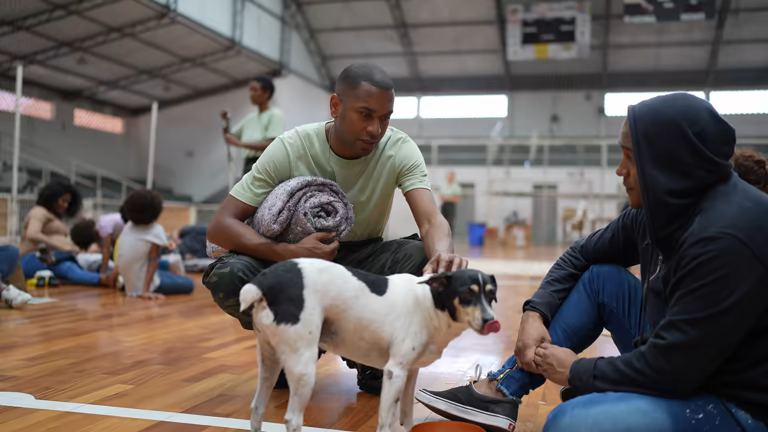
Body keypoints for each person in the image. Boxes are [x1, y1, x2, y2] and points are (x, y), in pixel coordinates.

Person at [415, 93, 768, 432]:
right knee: (601, 279)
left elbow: (675, 368)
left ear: (666, 161)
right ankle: (501, 393)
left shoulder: (727, 237)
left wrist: (582, 372)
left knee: (569, 423)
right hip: (690, 361)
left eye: (630, 157)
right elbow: (581, 255)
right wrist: (534, 312)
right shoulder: (658, 210)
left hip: (737, 402)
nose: (619, 170)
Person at [203, 63, 468, 395]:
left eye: (385, 118)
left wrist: (443, 257)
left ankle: (369, 357)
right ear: (335, 106)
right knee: (229, 275)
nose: (376, 129)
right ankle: (296, 341)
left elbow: (431, 220)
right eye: (365, 115)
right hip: (295, 264)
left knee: (420, 257)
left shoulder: (399, 148)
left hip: (362, 260)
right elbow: (220, 225)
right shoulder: (291, 146)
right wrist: (288, 252)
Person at [19, 180, 118, 288]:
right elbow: (32, 233)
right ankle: (103, 279)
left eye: (68, 202)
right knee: (67, 268)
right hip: (31, 258)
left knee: (87, 263)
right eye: (63, 201)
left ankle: (109, 276)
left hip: (54, 258)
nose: (66, 205)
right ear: (53, 198)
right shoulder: (38, 211)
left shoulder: (55, 218)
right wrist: (63, 246)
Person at [116, 189, 195, 300]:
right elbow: (153, 261)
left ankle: (127, 283)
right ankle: (146, 288)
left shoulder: (128, 226)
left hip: (129, 282)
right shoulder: (155, 230)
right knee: (189, 283)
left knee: (167, 272)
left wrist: (167, 244)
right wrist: (145, 292)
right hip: (144, 286)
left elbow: (144, 242)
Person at [223, 75, 286, 176]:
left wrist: (241, 144)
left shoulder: (275, 115)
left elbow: (271, 144)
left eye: (255, 90)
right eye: (250, 90)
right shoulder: (250, 118)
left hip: (265, 164)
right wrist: (225, 122)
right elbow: (229, 137)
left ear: (266, 93)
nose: (251, 94)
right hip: (248, 164)